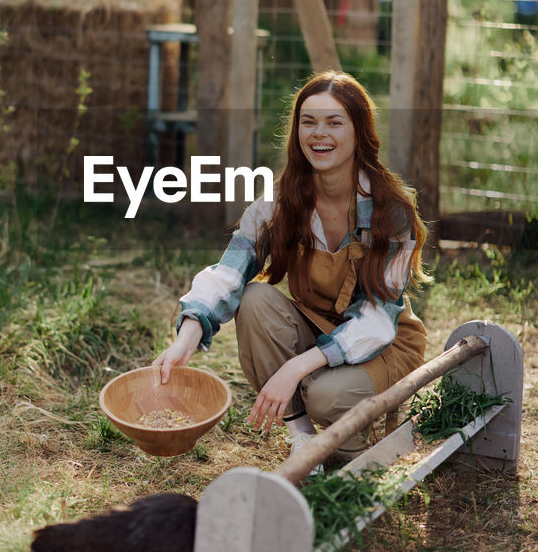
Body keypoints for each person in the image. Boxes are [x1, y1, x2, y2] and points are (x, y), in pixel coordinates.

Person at [153, 69, 429, 464]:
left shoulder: (391, 211)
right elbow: (230, 268)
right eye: (308, 122)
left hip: (383, 343)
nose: (320, 134)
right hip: (320, 329)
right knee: (254, 298)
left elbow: (376, 321)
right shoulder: (283, 200)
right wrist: (188, 333)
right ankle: (302, 441)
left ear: (359, 132)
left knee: (324, 395)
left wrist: (296, 367)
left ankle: (361, 454)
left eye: (335, 122)